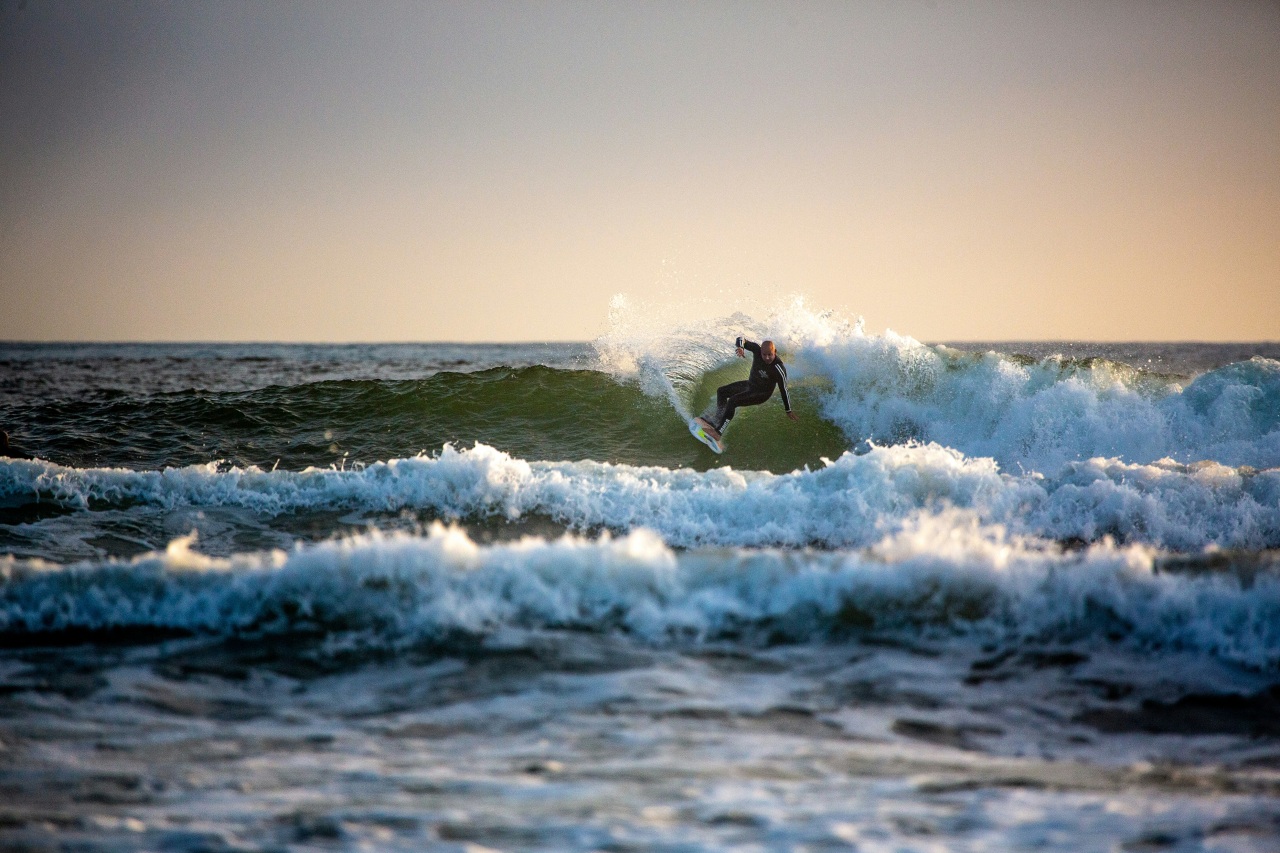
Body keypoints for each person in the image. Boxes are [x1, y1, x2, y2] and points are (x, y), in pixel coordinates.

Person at [696, 337, 799, 440]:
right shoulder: (757, 349)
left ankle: (718, 433)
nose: (767, 357)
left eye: (770, 355)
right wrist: (741, 347)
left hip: (761, 394)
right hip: (750, 385)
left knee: (733, 401)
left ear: (775, 352)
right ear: (761, 352)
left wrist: (788, 410)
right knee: (722, 391)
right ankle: (717, 420)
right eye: (764, 354)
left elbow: (784, 389)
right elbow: (741, 339)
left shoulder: (778, 368)